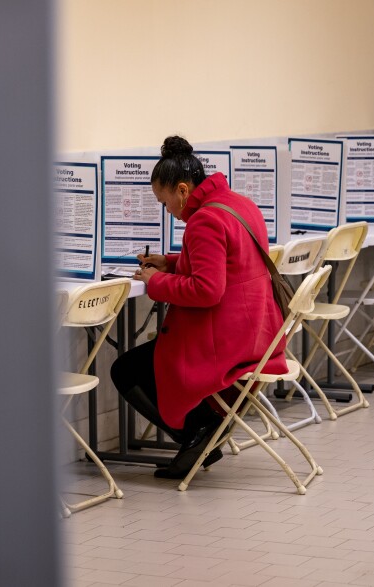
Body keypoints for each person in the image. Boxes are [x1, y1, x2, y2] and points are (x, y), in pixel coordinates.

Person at [110, 135, 287, 479]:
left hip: (227, 342)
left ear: (182, 190)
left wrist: (153, 281)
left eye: (165, 203)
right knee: (145, 361)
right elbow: (228, 263)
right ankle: (201, 432)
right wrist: (171, 263)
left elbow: (207, 290)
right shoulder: (239, 203)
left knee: (126, 369)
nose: (168, 211)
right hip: (259, 334)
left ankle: (199, 433)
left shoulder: (203, 220)